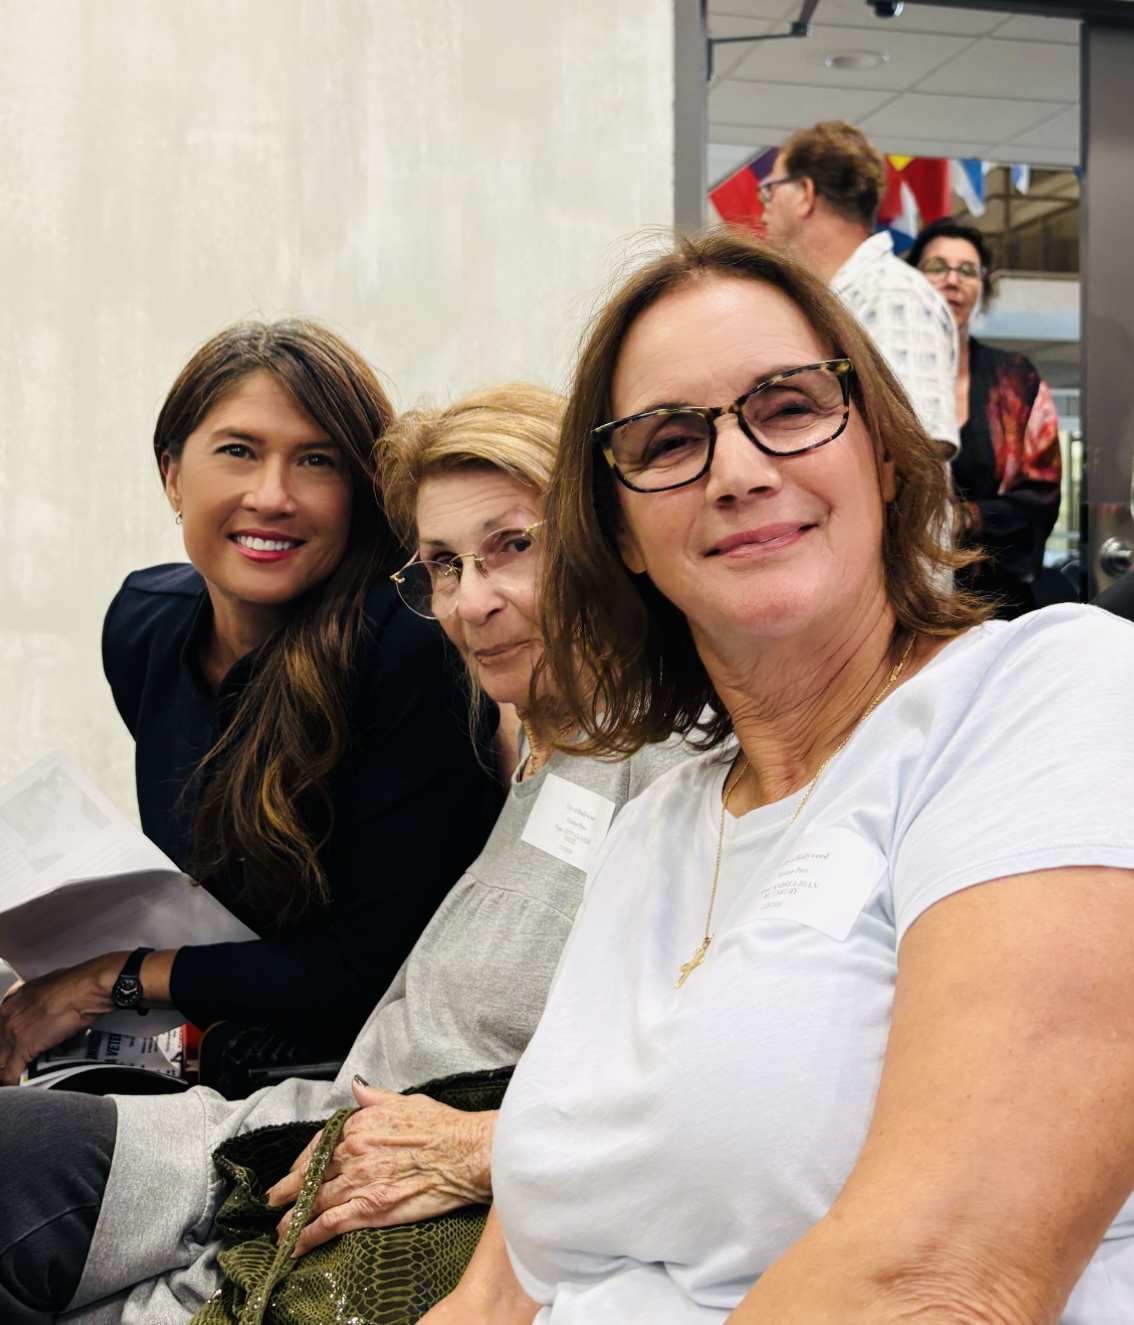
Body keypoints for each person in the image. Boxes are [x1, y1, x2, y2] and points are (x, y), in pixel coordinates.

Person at [425, 232, 1134, 1325]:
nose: (741, 472)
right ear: (621, 533)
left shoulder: (1044, 694)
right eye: (669, 440)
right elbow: (499, 1286)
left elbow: (944, 1280)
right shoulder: (656, 824)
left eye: (791, 407)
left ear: (884, 456)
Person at [0, 383, 691, 1325]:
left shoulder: (663, 756)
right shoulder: (532, 730)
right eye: (443, 563)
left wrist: (487, 1149)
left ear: (608, 540)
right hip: (305, 1129)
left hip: (392, 1192)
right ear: (170, 476)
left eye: (514, 546)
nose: (471, 602)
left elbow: (717, 1088)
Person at [0, 320, 502, 1087]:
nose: (272, 495)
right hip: (212, 1038)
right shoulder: (142, 624)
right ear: (172, 474)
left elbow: (372, 966)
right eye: (238, 450)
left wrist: (111, 978)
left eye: (317, 460)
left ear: (362, 491)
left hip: (355, 1077)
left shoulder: (409, 644)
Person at [761, 120, 960, 459]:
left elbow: (916, 446)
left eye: (771, 189)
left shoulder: (892, 295)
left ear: (806, 194)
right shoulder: (836, 298)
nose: (764, 208)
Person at [908, 217, 1063, 617]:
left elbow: (1041, 496)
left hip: (998, 600)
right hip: (907, 595)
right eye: (937, 267)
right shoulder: (887, 371)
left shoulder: (1014, 378)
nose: (952, 280)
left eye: (967, 270)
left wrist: (961, 518)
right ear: (910, 281)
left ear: (983, 288)